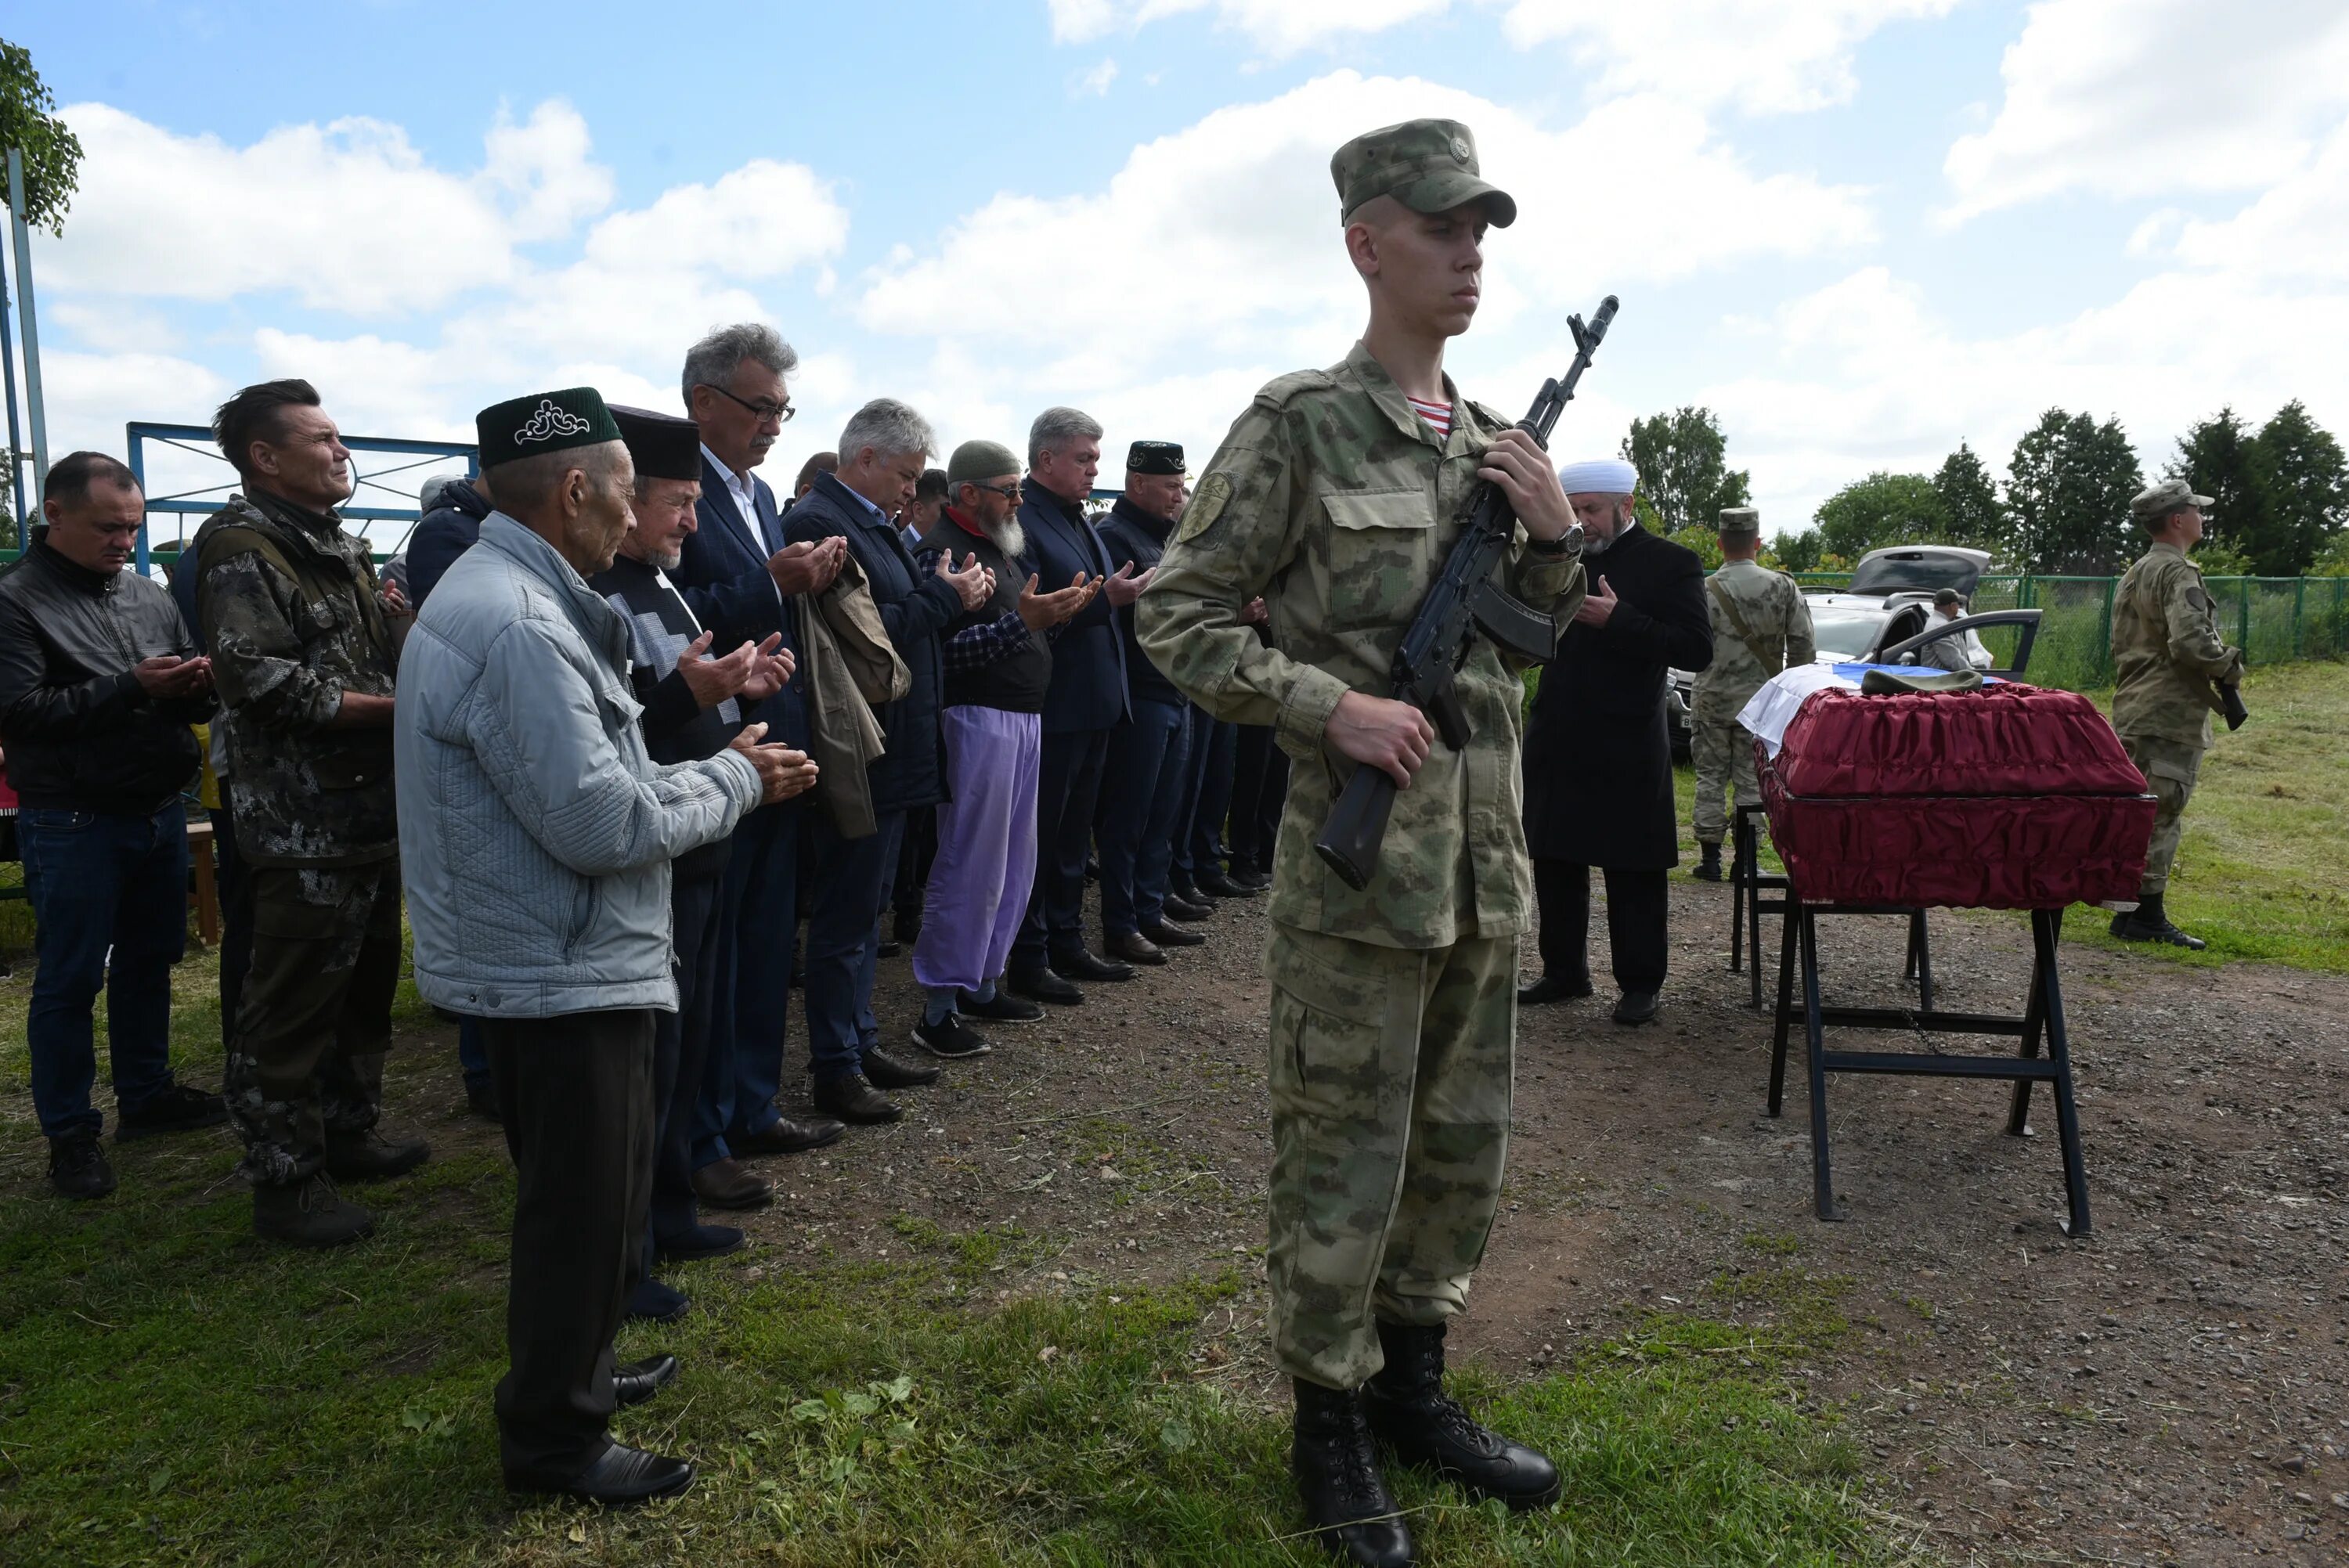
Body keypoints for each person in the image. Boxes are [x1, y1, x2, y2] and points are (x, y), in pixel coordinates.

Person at [1138, 118, 1577, 1568]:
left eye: (1482, 232)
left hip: (1480, 866)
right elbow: (1179, 616)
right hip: (1359, 869)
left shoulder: (1501, 435)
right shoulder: (1299, 424)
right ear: (1366, 242)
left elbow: (1522, 657)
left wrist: (1557, 540)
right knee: (1346, 1152)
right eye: (1443, 228)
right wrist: (1332, 707)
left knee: (1459, 1144)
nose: (1469, 255)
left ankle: (1416, 1388)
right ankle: (1324, 1422)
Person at [400, 387, 808, 1505]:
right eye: (630, 490)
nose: (640, 516)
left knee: (589, 1199)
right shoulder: (520, 622)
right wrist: (737, 777)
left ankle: (575, 1374)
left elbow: (598, 783)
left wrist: (691, 771)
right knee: (579, 1213)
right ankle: (554, 1444)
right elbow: (602, 824)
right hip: (560, 961)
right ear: (576, 491)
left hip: (555, 949)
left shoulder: (513, 594)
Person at [590, 403, 826, 1321]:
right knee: (650, 1056)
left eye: (696, 503)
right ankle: (630, 1245)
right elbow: (613, 737)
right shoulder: (602, 590)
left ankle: (673, 1203)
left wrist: (737, 687)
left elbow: (677, 690)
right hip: (658, 845)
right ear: (625, 500)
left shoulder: (664, 580)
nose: (693, 522)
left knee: (689, 1041)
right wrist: (691, 693)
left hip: (706, 836)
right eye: (677, 503)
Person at [196, 380, 428, 1247]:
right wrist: (396, 709)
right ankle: (285, 1181)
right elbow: (259, 682)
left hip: (365, 812)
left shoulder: (333, 544)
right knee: (290, 1006)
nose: (341, 451)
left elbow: (361, 658)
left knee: (363, 989)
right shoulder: (244, 549)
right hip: (302, 826)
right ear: (266, 456)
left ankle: (347, 1130)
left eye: (340, 437)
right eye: (322, 439)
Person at [0, 452, 228, 1199]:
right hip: (73, 817)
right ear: (53, 514)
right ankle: (69, 1134)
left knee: (148, 960)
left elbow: (178, 692)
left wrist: (199, 686)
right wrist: (131, 685)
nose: (123, 541)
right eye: (108, 527)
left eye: (131, 527)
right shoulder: (15, 601)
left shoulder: (145, 595)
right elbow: (20, 714)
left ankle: (147, 1094)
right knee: (67, 980)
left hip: (156, 810)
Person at [674, 324, 850, 1213]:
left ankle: (752, 1101)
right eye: (762, 406)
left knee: (763, 938)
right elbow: (676, 615)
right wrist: (773, 581)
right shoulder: (673, 491)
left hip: (777, 740)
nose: (776, 423)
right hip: (713, 752)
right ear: (706, 402)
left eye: (784, 407)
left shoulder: (762, 492)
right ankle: (701, 1132)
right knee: (712, 951)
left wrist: (799, 578)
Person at [786, 398, 991, 1122]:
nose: (913, 489)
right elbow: (873, 643)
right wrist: (944, 594)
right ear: (864, 458)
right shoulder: (819, 524)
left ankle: (860, 1040)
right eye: (905, 474)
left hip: (895, 747)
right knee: (845, 915)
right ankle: (835, 1067)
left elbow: (899, 625)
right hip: (862, 752)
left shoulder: (875, 526)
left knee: (867, 913)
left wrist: (945, 595)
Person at [907, 439, 1098, 1054]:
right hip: (974, 718)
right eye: (1008, 489)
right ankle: (938, 1005)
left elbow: (1020, 627)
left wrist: (1059, 613)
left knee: (1016, 861)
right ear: (968, 494)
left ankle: (984, 980)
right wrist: (1027, 622)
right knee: (971, 861)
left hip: (1022, 716)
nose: (1018, 500)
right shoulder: (940, 551)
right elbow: (942, 654)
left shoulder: (1002, 547)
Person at [1518, 458, 1712, 1026]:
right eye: (1575, 509)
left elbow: (1696, 648)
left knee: (1633, 864)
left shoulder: (1672, 563)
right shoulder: (1559, 557)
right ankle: (1564, 971)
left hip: (1628, 735)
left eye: (1592, 510)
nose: (1583, 520)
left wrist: (1621, 619)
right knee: (1554, 856)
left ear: (1626, 507)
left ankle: (1640, 982)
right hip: (1558, 728)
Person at [1005, 407, 1151, 1005]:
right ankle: (1029, 955)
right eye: (1084, 458)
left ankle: (1067, 939)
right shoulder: (1026, 521)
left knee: (1072, 841)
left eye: (1097, 457)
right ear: (1046, 460)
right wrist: (1104, 601)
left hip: (1096, 704)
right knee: (1040, 838)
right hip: (1057, 704)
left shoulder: (1077, 517)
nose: (1096, 468)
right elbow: (1029, 614)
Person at [2108, 478, 2243, 950]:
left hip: (2134, 706)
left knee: (2139, 811)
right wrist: (2227, 663)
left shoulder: (2136, 572)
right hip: (2168, 711)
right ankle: (2147, 916)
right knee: (2163, 811)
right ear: (2179, 519)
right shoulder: (2178, 572)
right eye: (2197, 511)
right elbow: (2190, 642)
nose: (2203, 518)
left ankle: (2128, 913)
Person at [1095, 440, 1207, 965]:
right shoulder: (1115, 536)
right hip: (1140, 694)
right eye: (1171, 486)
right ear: (1137, 483)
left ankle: (1149, 904)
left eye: (1182, 486)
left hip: (1173, 691)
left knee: (1163, 813)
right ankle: (1120, 922)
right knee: (1129, 815)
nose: (1178, 495)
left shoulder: (1162, 539)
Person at [1688, 507, 1813, 881]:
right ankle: (1746, 862)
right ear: (1757, 542)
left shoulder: (1703, 589)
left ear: (1720, 543)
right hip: (1762, 702)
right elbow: (1804, 647)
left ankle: (1710, 859)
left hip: (1711, 698)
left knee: (1709, 776)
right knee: (1753, 778)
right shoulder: (1782, 586)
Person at [1914, 587, 1974, 673]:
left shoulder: (1940, 622)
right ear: (1952, 606)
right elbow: (1953, 660)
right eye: (1959, 604)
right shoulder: (1940, 627)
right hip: (1941, 682)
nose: (1959, 607)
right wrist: (1975, 673)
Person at [898, 467, 948, 551]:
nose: (952, 519)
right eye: (946, 511)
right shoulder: (895, 552)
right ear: (919, 510)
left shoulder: (946, 551)